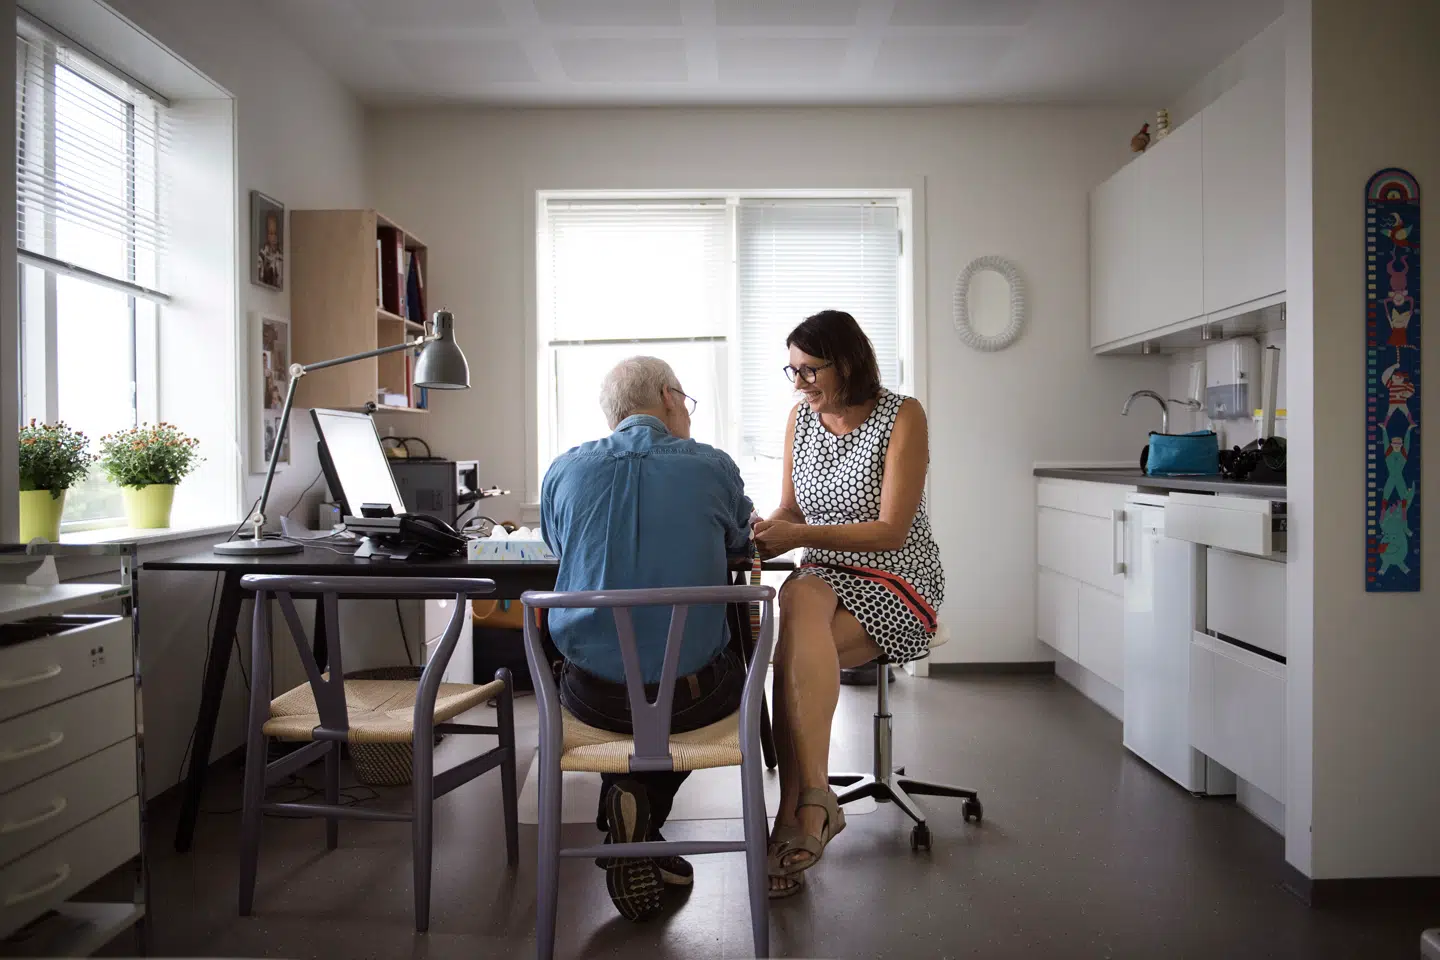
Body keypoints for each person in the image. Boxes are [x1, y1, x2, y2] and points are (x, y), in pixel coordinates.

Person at [540, 356, 755, 922]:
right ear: (668, 396)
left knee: (622, 676)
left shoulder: (563, 470)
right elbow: (741, 539)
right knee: (726, 659)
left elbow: (562, 553)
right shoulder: (713, 467)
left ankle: (632, 816)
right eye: (685, 400)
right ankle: (639, 817)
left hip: (591, 697)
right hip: (693, 699)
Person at [753, 309, 945, 898]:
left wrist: (802, 537)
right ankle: (813, 803)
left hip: (896, 579)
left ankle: (797, 811)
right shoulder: (799, 419)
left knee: (791, 661)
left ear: (849, 361)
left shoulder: (902, 415)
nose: (800, 384)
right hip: (824, 580)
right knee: (800, 595)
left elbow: (891, 530)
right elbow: (793, 509)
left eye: (810, 370)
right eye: (792, 372)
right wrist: (768, 527)